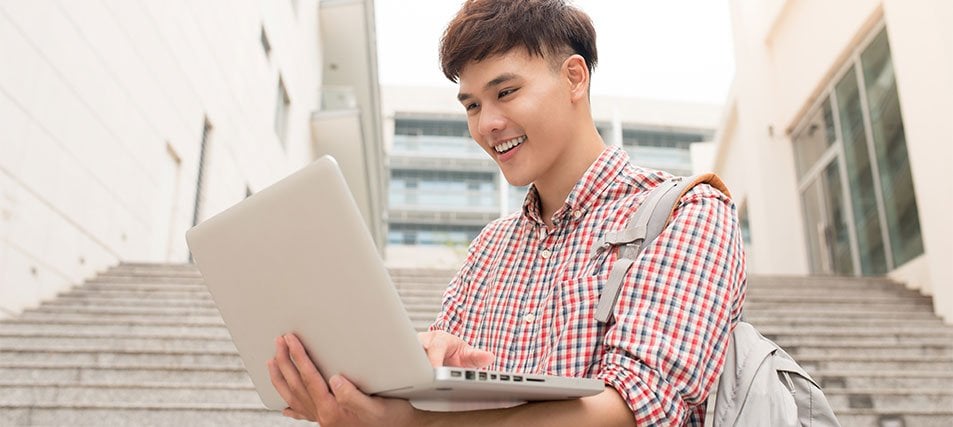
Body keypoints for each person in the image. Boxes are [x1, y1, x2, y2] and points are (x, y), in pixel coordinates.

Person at [267, 0, 747, 425]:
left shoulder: (689, 211)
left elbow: (637, 406)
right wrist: (404, 377)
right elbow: (435, 392)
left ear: (574, 77)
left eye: (506, 92)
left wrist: (417, 426)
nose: (488, 124)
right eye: (472, 105)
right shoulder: (490, 250)